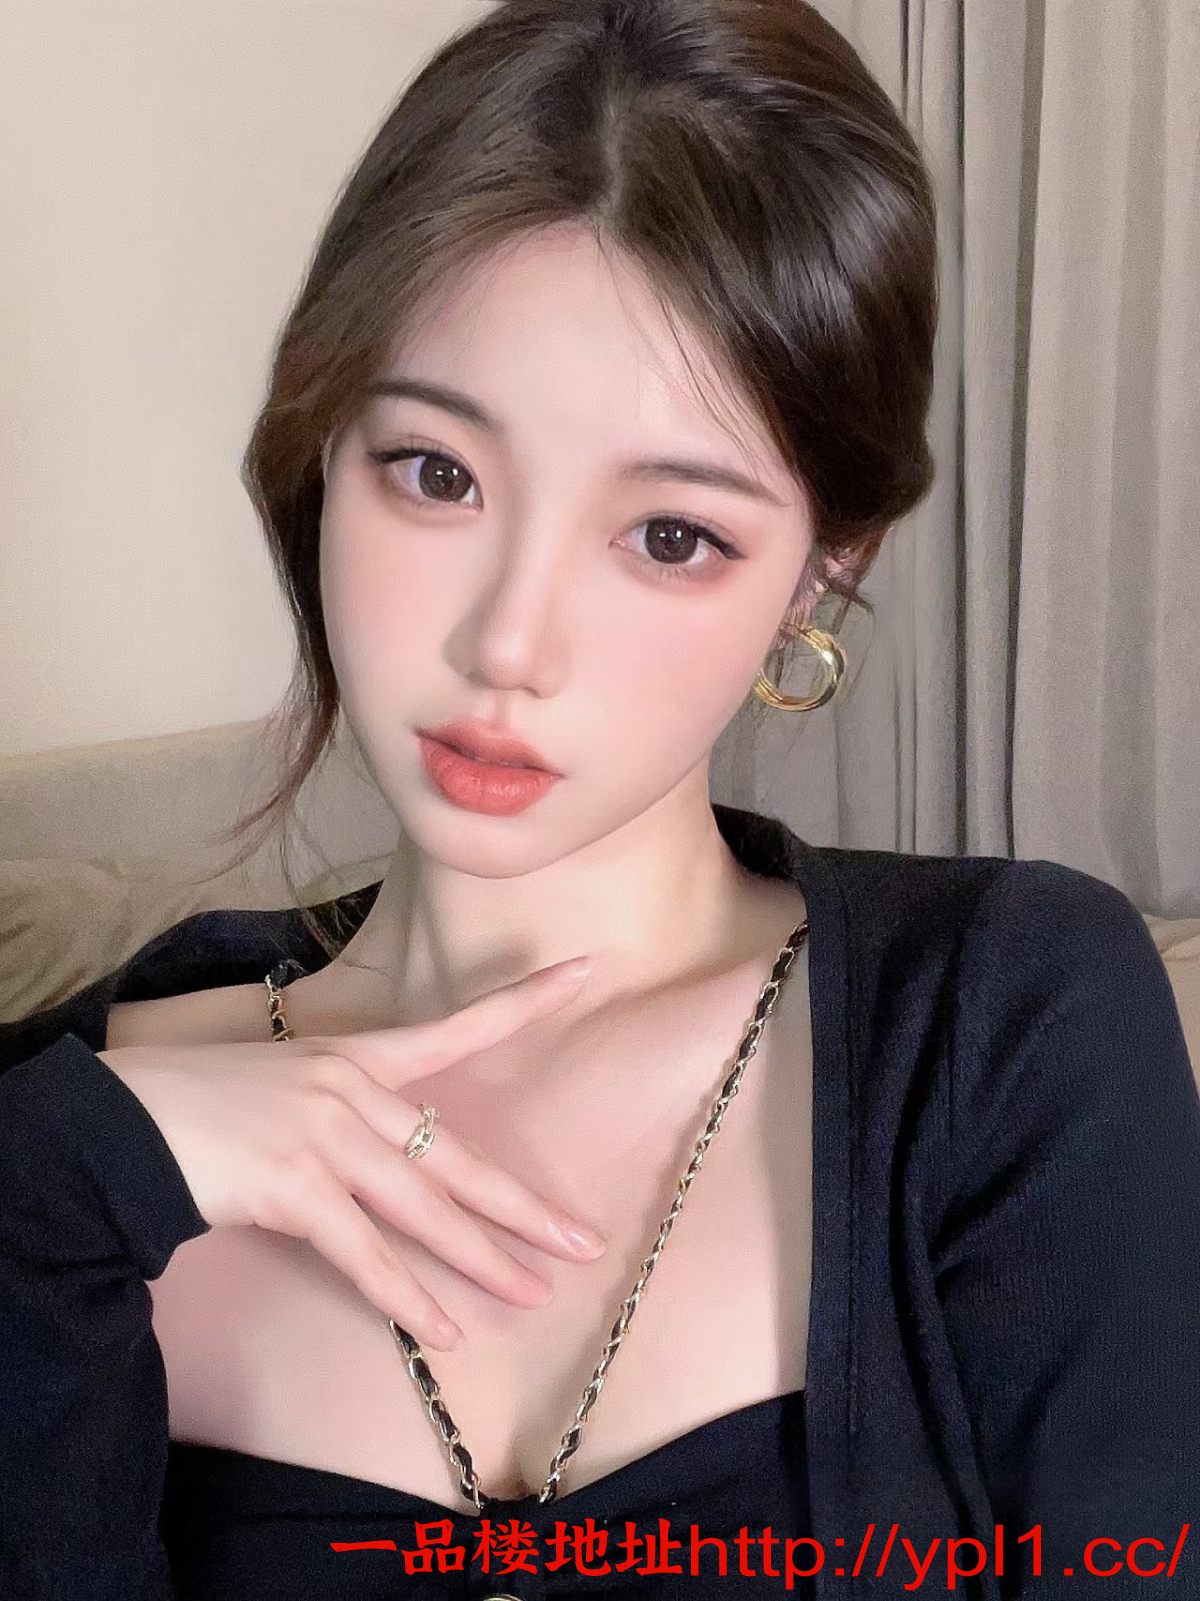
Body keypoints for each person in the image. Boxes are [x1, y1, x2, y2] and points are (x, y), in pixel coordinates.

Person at [2, 1, 1198, 1597]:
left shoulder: (1005, 1022)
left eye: (671, 536)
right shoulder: (74, 1123)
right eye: (436, 472)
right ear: (319, 442)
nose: (511, 643)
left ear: (819, 571)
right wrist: (60, 1183)